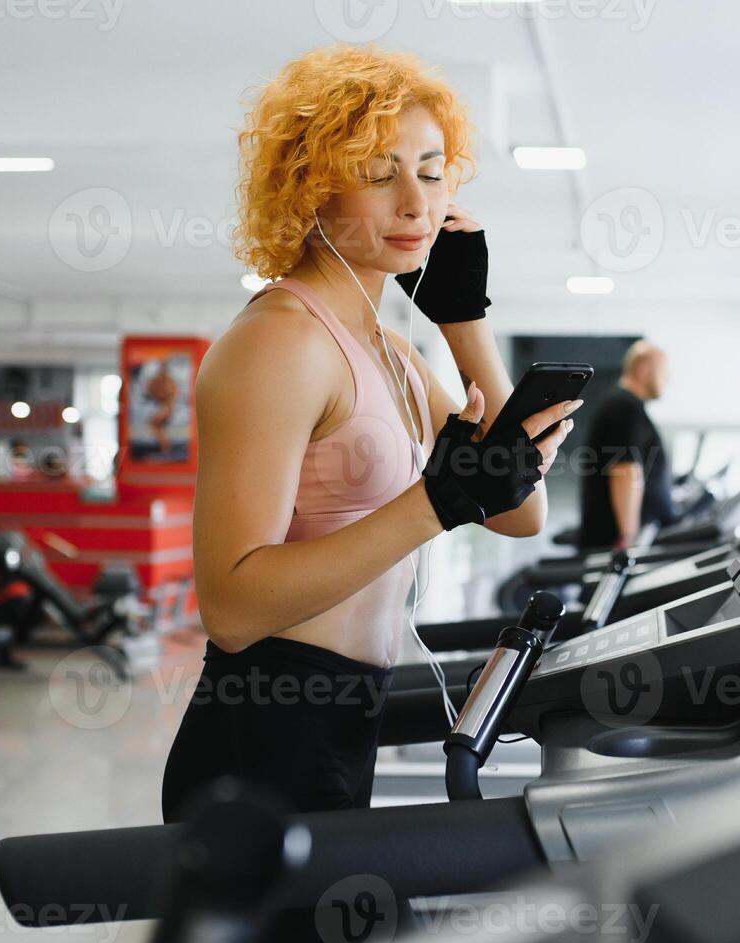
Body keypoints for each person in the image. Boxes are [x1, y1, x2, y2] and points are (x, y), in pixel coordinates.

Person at [161, 45, 583, 824]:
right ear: (309, 186)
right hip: (263, 733)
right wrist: (434, 503)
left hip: (345, 717)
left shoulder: (389, 348)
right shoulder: (280, 341)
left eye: (430, 171)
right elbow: (232, 606)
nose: (416, 205)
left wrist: (464, 319)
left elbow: (519, 512)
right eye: (379, 173)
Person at [578, 340, 678, 550]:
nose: (667, 379)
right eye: (663, 371)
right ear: (643, 370)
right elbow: (625, 470)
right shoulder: (623, 407)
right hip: (615, 541)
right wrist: (628, 535)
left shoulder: (626, 405)